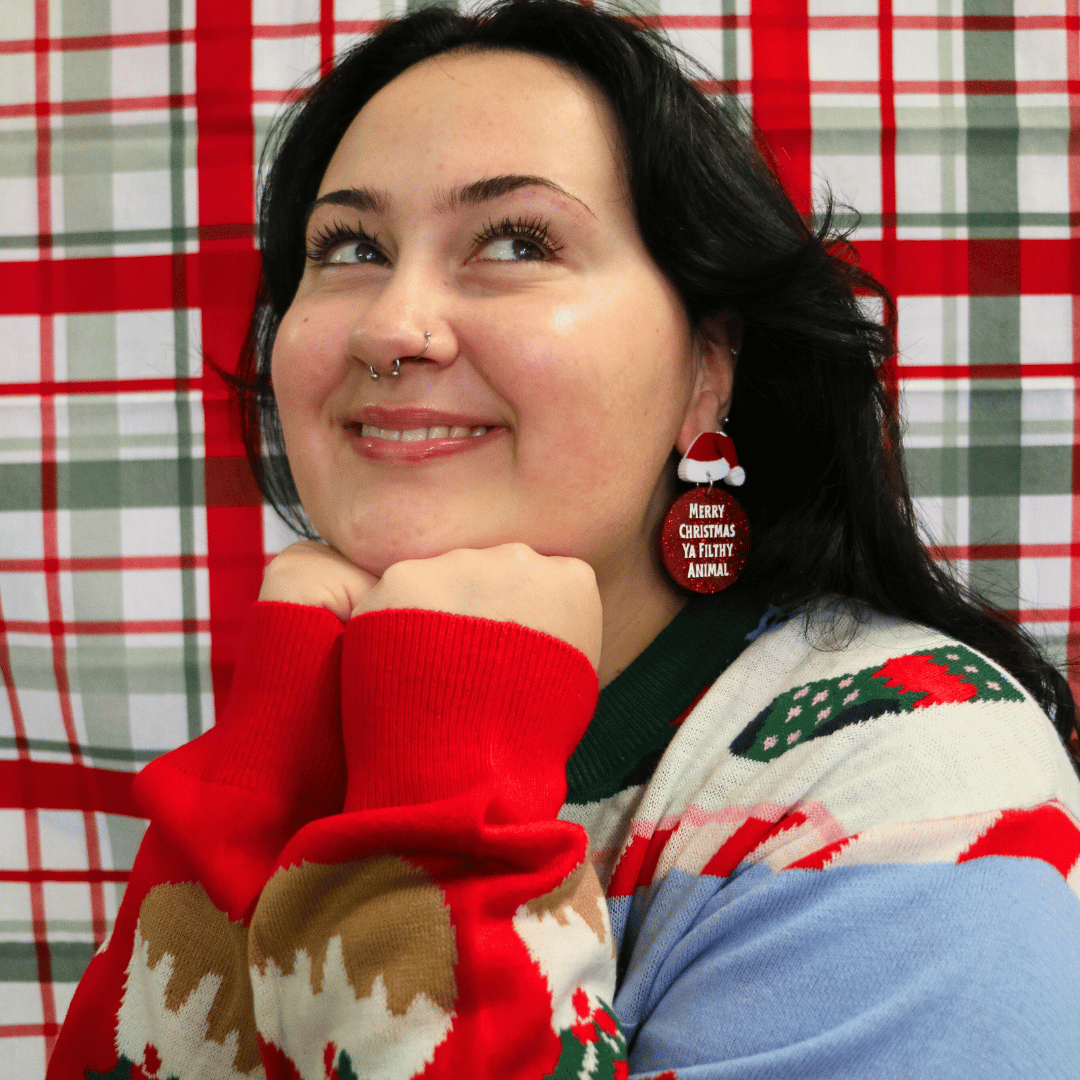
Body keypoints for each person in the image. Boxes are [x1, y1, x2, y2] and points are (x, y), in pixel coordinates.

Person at [47, 2, 1080, 1078]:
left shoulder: (925, 782)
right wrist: (263, 775)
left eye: (516, 242)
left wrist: (443, 792)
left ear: (706, 366)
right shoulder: (319, 701)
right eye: (351, 245)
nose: (393, 327)